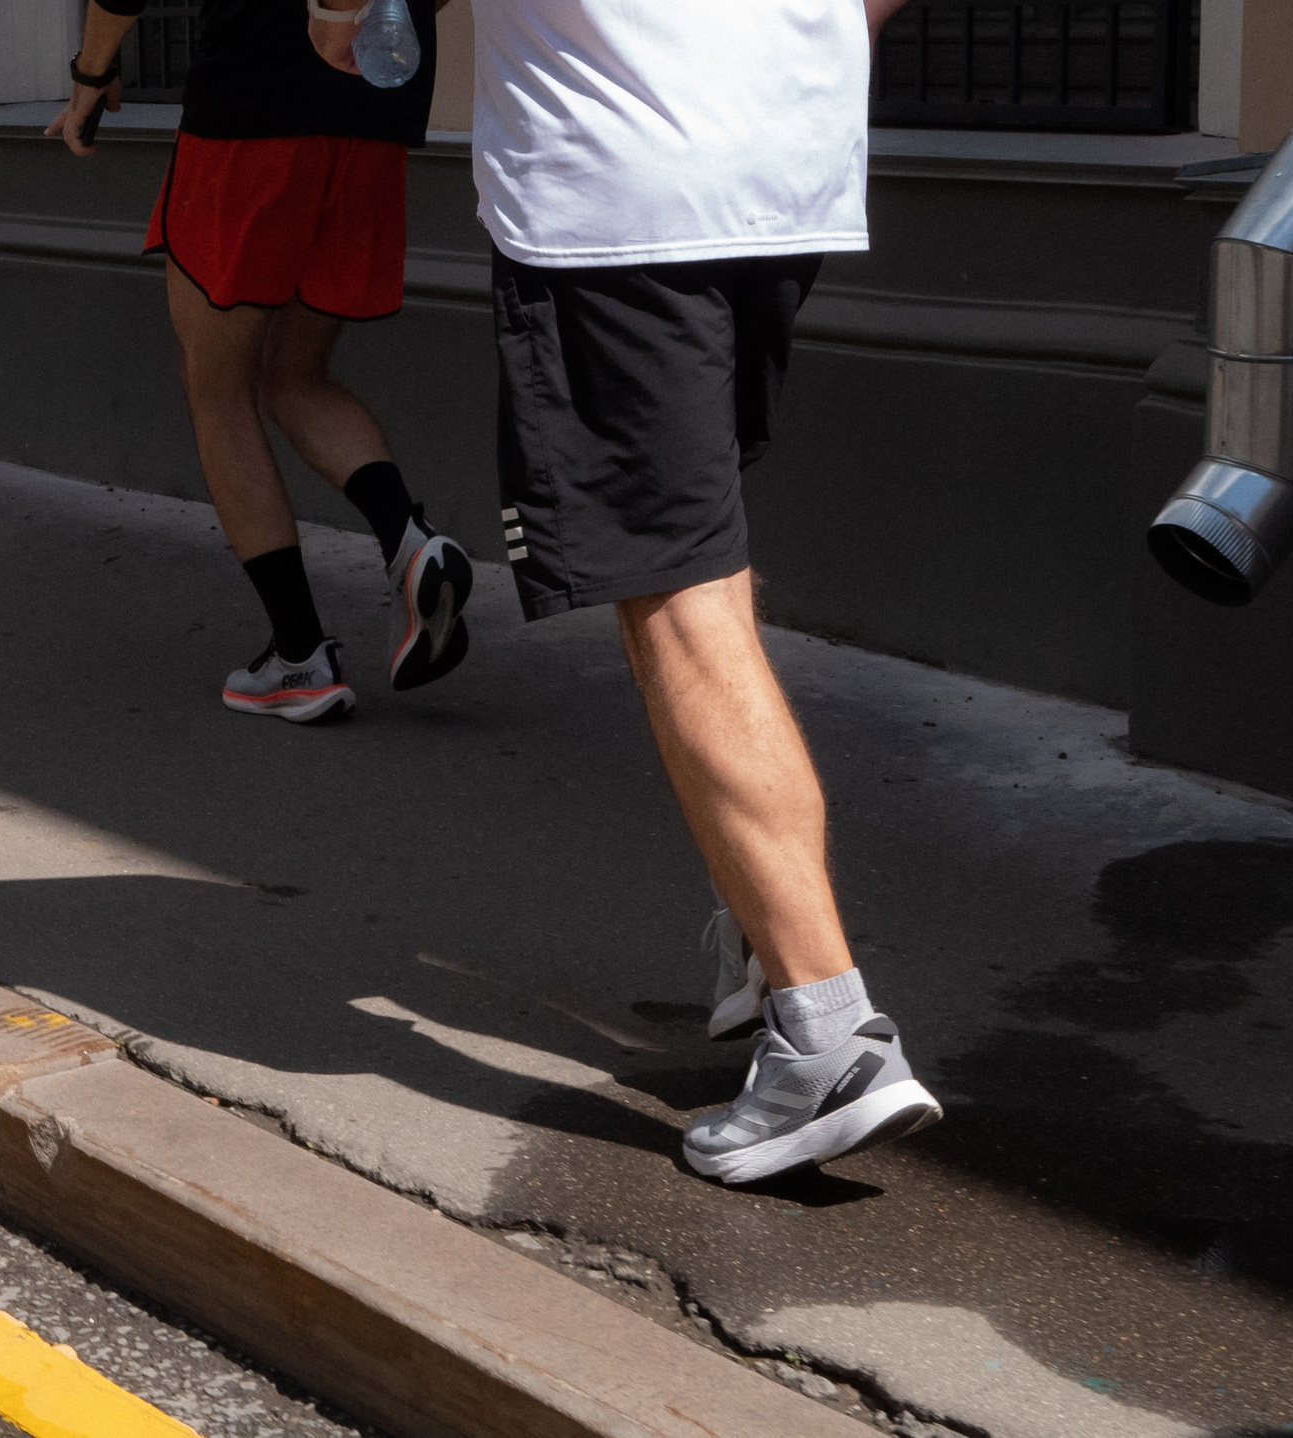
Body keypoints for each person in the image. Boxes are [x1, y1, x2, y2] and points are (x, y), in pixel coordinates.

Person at [311, 0, 929, 1182]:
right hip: (783, 167)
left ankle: (829, 1032)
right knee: (704, 573)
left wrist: (339, 20)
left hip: (622, 196)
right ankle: (762, 938)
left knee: (681, 608)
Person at [49, 0, 475, 724]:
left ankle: (299, 656)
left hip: (250, 115)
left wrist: (91, 72)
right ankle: (411, 543)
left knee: (218, 388)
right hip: (373, 122)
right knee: (294, 377)